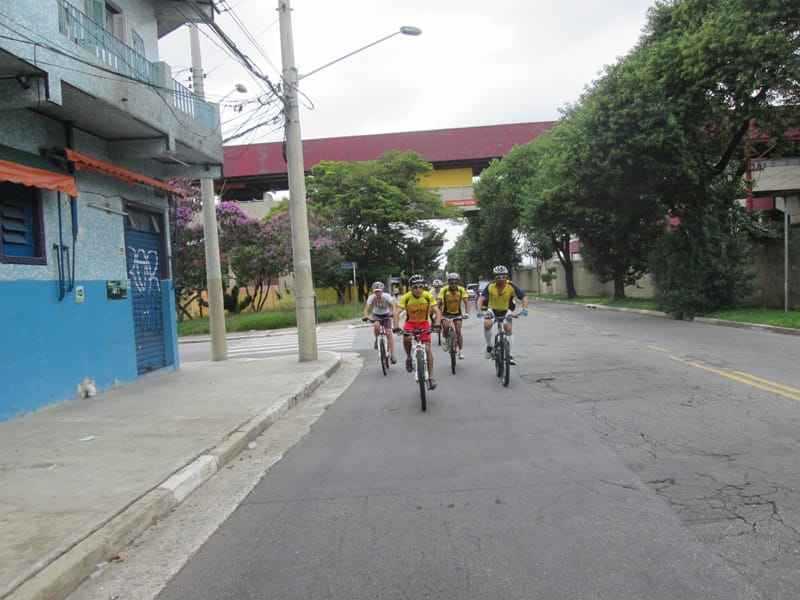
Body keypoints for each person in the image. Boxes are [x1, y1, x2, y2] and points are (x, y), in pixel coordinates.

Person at [394, 274, 442, 390]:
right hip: (410, 323)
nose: (418, 289)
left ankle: (431, 378)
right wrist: (396, 327)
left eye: (421, 286)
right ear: (411, 288)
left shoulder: (428, 296)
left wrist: (437, 324)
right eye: (415, 287)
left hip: (424, 323)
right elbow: (396, 313)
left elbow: (437, 311)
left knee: (428, 350)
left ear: (423, 287)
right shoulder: (406, 297)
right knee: (407, 338)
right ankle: (409, 357)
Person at [476, 265, 528, 365]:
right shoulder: (490, 286)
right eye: (498, 277)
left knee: (508, 329)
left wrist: (524, 309)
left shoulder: (511, 286)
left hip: (506, 310)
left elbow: (524, 297)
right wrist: (479, 311)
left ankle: (510, 355)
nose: (501, 279)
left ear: (506, 277)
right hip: (492, 310)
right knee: (487, 324)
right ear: (495, 277)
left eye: (503, 276)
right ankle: (489, 346)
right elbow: (481, 299)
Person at [363, 281, 397, 363]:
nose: (377, 293)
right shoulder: (371, 297)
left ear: (382, 290)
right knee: (376, 325)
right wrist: (366, 317)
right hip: (376, 315)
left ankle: (392, 355)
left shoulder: (386, 296)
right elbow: (366, 308)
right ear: (374, 292)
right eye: (376, 291)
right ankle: (377, 338)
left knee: (389, 333)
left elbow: (393, 305)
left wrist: (393, 314)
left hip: (386, 315)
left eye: (379, 291)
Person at [438, 272, 470, 359]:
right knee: (446, 327)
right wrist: (436, 312)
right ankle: (446, 340)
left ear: (458, 283)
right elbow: (439, 301)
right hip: (446, 313)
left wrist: (467, 313)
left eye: (455, 283)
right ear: (448, 283)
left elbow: (466, 301)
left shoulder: (461, 290)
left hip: (457, 313)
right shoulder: (444, 290)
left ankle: (461, 351)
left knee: (458, 331)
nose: (453, 284)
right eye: (451, 282)